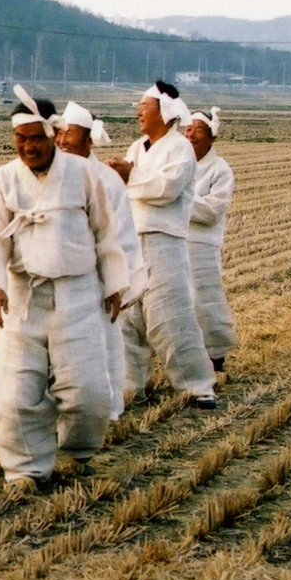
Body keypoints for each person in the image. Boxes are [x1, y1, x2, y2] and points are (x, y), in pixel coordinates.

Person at [0, 87, 129, 488]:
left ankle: (79, 448)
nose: (28, 147)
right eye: (20, 138)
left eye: (36, 138)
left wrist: (114, 283)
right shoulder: (4, 179)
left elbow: (106, 233)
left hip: (78, 293)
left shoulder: (83, 175)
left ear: (53, 135)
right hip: (24, 295)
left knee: (86, 391)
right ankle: (25, 468)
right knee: (15, 392)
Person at [106, 81, 218, 410]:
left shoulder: (179, 148)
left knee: (170, 316)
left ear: (164, 112)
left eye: (144, 106)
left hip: (164, 242)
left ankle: (198, 385)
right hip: (131, 240)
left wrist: (131, 175)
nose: (139, 112)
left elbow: (167, 189)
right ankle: (131, 386)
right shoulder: (136, 148)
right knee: (126, 316)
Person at [55, 100, 146, 421]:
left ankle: (108, 409)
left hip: (96, 282)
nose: (63, 141)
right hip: (58, 281)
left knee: (103, 345)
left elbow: (123, 238)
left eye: (70, 134)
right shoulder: (48, 175)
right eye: (59, 133)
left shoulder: (107, 180)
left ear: (88, 139)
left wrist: (117, 284)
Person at [185, 107, 238, 371]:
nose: (191, 135)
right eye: (188, 129)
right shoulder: (178, 165)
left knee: (205, 300)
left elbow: (210, 212)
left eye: (198, 130)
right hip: (172, 243)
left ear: (212, 137)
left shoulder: (220, 170)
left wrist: (177, 196)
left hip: (202, 246)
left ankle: (215, 355)